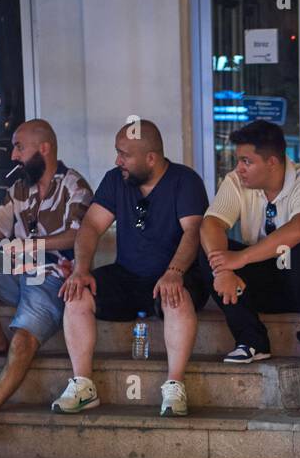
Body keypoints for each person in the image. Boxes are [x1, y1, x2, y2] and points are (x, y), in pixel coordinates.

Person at [0, 119, 93, 445]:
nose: (13, 155)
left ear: (44, 149)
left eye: (19, 147)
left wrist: (33, 246)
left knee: (24, 340)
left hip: (53, 278)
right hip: (17, 270)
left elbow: (79, 234)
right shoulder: (19, 190)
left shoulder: (75, 186)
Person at [53, 119, 211, 416]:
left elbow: (194, 231)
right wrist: (82, 269)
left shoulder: (185, 181)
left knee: (175, 296)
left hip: (177, 275)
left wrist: (174, 272)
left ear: (150, 158)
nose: (117, 161)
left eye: (124, 154)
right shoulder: (116, 180)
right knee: (77, 294)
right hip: (128, 276)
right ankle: (83, 386)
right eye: (117, 152)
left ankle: (174, 386)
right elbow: (90, 226)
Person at [200, 120, 300, 366]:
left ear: (272, 162)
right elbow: (212, 224)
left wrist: (239, 259)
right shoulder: (236, 181)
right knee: (208, 249)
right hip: (271, 284)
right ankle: (252, 340)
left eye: (247, 161)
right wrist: (223, 268)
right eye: (239, 160)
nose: (239, 168)